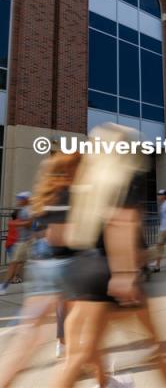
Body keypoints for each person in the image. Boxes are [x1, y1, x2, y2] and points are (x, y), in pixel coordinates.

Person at [52, 123, 166, 388]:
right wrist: (125, 274)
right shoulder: (127, 175)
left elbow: (74, 232)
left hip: (82, 269)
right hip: (109, 272)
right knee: (156, 347)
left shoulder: (87, 181)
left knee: (78, 356)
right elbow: (122, 221)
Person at [0, 152, 81, 387]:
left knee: (30, 338)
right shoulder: (66, 193)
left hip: (42, 263)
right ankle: (70, 353)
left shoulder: (45, 194)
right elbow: (59, 235)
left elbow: (39, 231)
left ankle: (66, 348)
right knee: (77, 318)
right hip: (63, 264)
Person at [0, 192, 33, 295]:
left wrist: (15, 223)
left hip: (28, 241)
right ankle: (4, 286)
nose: (18, 201)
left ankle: (4, 286)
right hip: (22, 241)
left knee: (16, 263)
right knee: (14, 262)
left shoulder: (29, 209)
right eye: (18, 198)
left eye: (20, 199)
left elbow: (30, 223)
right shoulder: (23, 210)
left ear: (26, 199)